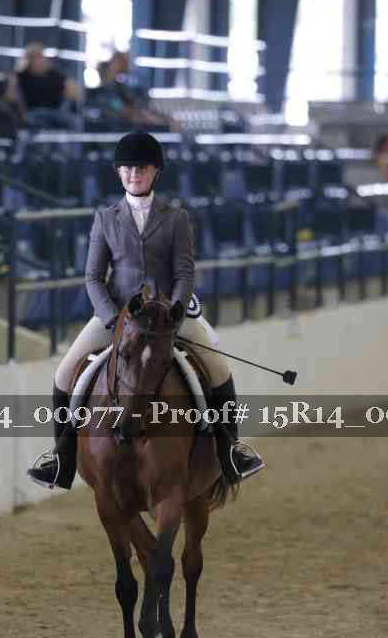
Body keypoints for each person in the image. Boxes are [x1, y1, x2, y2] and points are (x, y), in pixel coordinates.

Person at [28, 131, 265, 491]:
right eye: (127, 168)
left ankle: (231, 450)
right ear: (118, 172)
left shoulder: (176, 218)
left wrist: (176, 310)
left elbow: (184, 273)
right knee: (64, 375)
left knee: (218, 369)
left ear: (156, 172)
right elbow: (93, 277)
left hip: (168, 315)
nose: (133, 174)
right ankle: (62, 458)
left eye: (141, 168)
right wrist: (113, 319)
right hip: (116, 314)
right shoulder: (105, 218)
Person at [97, 50, 178, 131]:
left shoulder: (122, 84)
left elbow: (135, 103)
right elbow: (119, 106)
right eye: (117, 63)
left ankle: (168, 124)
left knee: (148, 113)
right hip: (126, 119)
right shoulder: (109, 92)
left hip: (135, 114)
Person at [12, 42, 79, 128]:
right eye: (35, 58)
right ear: (29, 60)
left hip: (55, 113)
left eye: (41, 57)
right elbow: (13, 96)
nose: (38, 61)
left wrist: (70, 91)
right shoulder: (22, 76)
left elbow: (73, 92)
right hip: (32, 113)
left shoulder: (56, 75)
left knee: (72, 121)